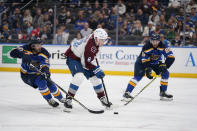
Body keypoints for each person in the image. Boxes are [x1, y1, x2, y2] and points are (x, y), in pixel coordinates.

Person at [64, 28, 112, 110]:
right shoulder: (91, 46)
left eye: (104, 40)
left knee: (95, 78)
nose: (103, 42)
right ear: (96, 38)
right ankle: (68, 99)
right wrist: (96, 69)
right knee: (79, 76)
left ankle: (102, 98)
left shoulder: (95, 39)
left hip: (82, 57)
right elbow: (86, 62)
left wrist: (96, 68)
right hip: (73, 57)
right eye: (102, 40)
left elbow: (91, 58)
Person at [10, 39, 66, 107]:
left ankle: (60, 98)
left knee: (49, 82)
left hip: (38, 73)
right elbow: (12, 53)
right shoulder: (25, 48)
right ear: (33, 46)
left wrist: (46, 71)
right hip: (26, 75)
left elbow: (45, 64)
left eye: (40, 45)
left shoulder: (44, 52)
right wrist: (23, 54)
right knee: (42, 82)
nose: (40, 47)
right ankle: (49, 99)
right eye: (38, 45)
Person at [123, 34, 175, 101]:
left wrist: (165, 66)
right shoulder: (146, 46)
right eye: (153, 41)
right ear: (150, 40)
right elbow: (145, 60)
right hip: (141, 62)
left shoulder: (164, 46)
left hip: (154, 63)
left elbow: (171, 57)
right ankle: (127, 93)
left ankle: (163, 92)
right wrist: (148, 69)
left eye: (156, 41)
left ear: (159, 41)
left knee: (165, 73)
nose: (155, 43)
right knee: (138, 76)